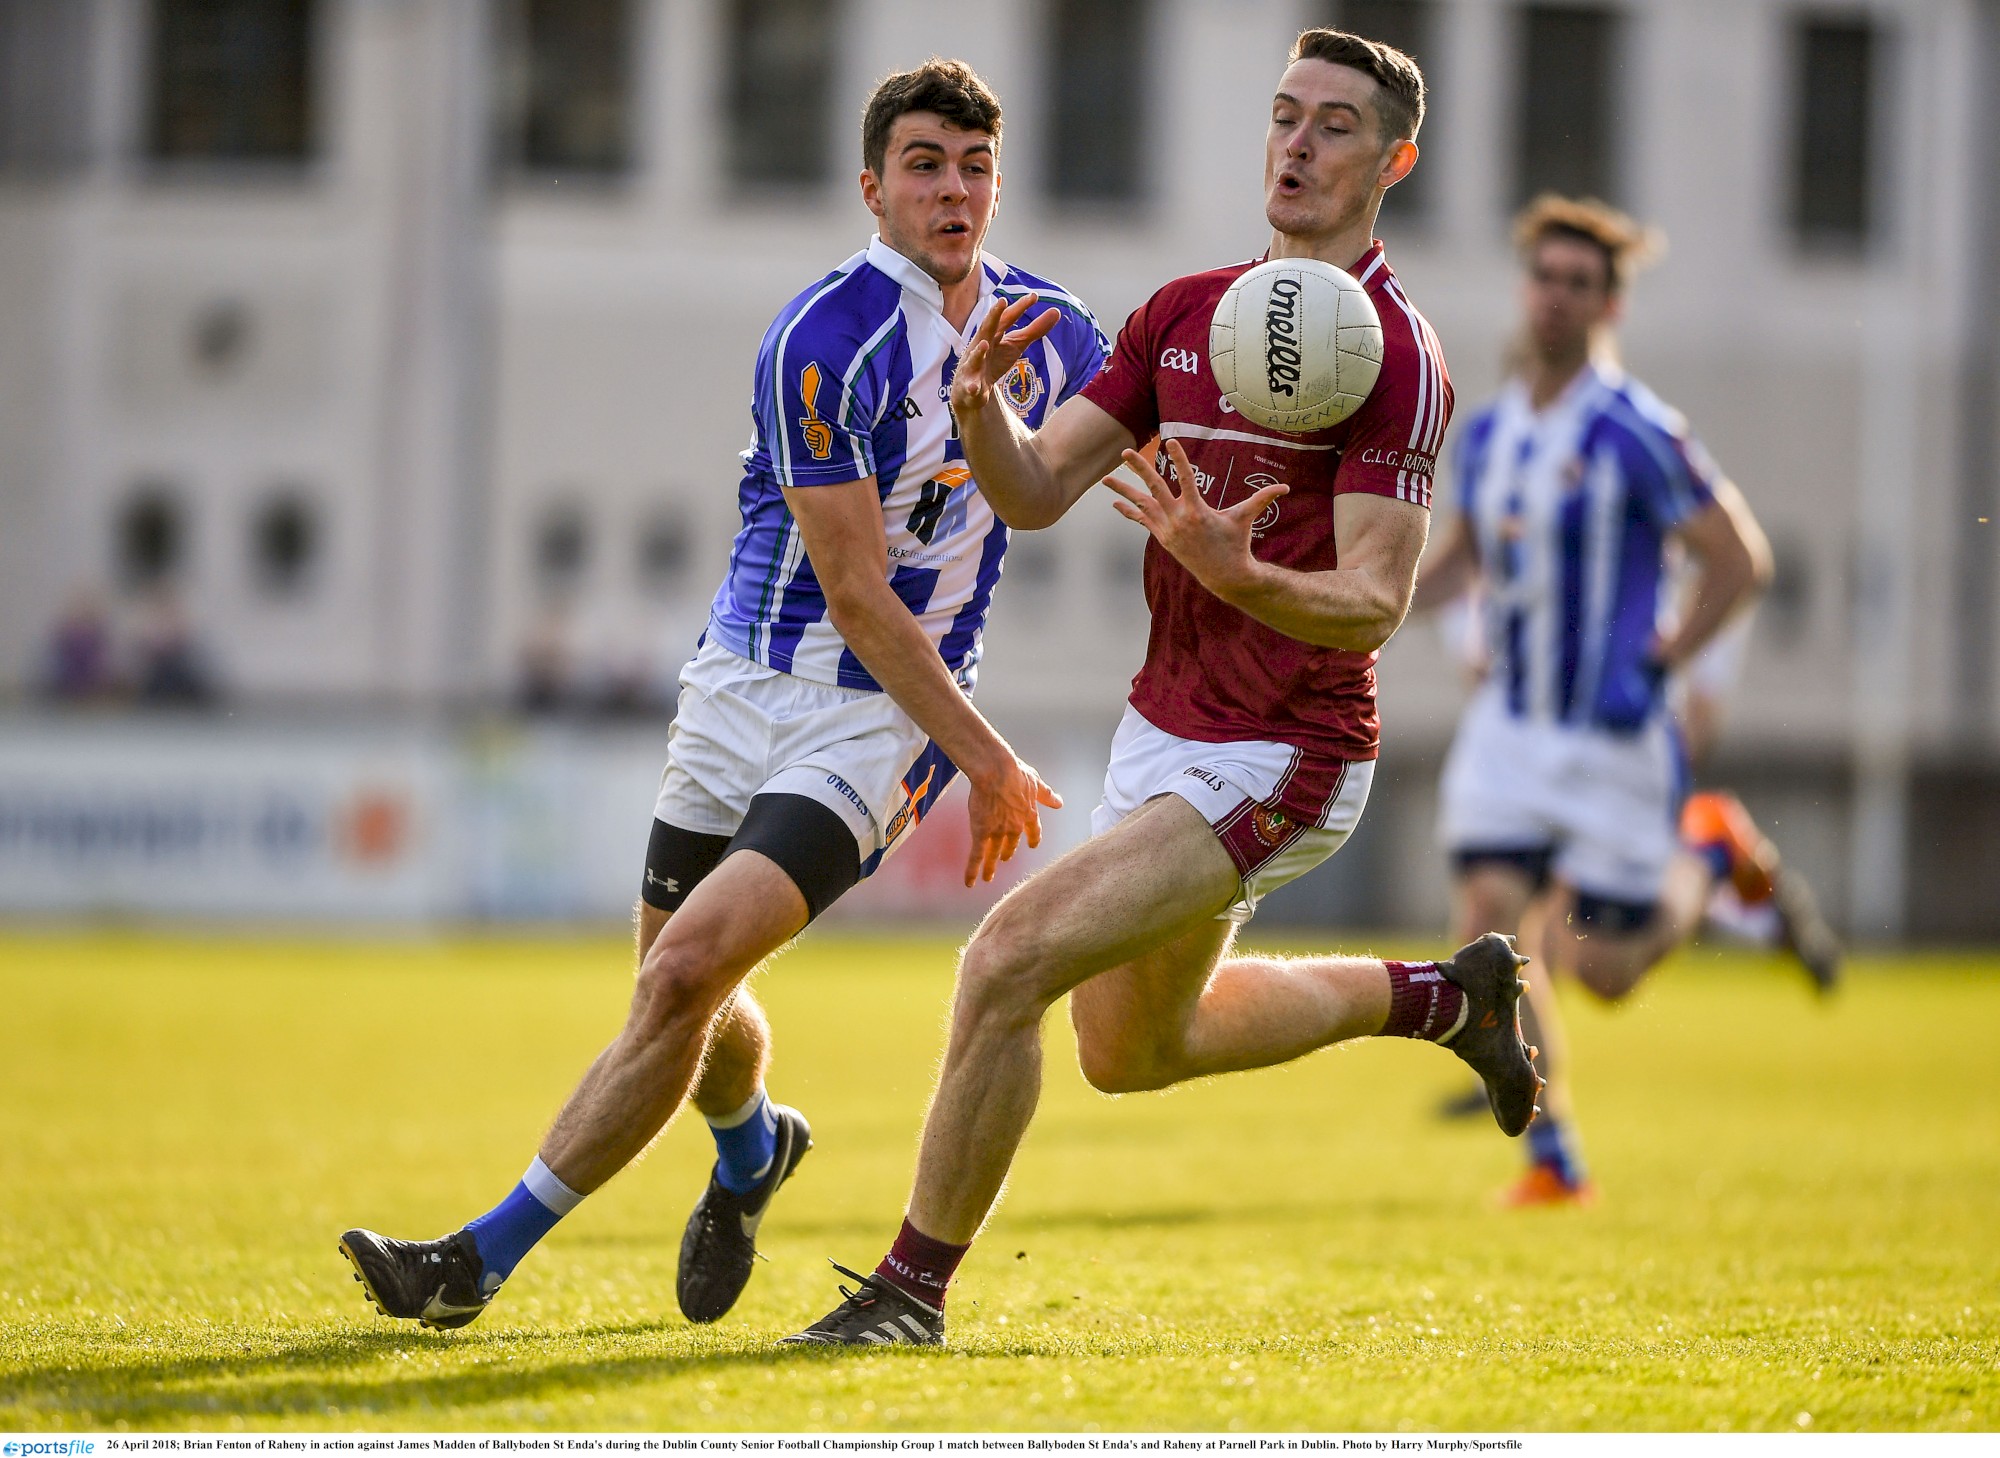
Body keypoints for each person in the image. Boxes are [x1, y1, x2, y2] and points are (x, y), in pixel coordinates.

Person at [785, 29, 1541, 1349]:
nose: (1299, 146)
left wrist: (1230, 572)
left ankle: (908, 1294)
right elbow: (1030, 493)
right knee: (1129, 1050)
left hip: (1287, 751)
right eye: (1285, 116)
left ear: (1395, 161)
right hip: (1164, 727)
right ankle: (1446, 995)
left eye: (1337, 127)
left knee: (1005, 961)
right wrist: (980, 420)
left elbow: (1375, 601)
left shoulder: (1400, 361)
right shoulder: (1187, 312)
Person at [338, 58, 1107, 1330]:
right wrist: (993, 759)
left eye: (974, 166)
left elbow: (1092, 468)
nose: (953, 190)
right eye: (924, 165)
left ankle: (473, 1262)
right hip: (740, 692)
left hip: (877, 721)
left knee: (679, 974)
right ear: (872, 187)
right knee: (684, 1001)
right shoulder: (825, 338)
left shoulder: (1051, 329)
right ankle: (754, 1152)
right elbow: (855, 587)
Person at [1412, 195, 1835, 1207]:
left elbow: (1739, 559)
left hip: (1611, 737)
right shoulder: (1490, 432)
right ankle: (1553, 1158)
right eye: (1542, 278)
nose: (1554, 298)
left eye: (1577, 284)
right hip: (1509, 728)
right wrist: (1349, 611)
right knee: (1488, 938)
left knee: (1600, 971)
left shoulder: (1635, 432)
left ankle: (1708, 851)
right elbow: (1456, 562)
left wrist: (1666, 654)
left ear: (1609, 306)